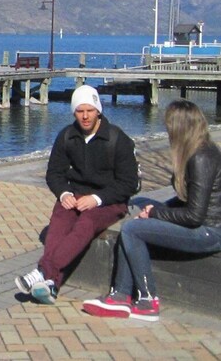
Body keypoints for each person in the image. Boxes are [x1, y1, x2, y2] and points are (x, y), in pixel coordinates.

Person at [82, 99, 221, 321]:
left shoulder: (201, 158)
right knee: (139, 214)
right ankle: (120, 296)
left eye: (168, 126)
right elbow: (188, 201)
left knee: (132, 230)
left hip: (210, 233)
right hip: (205, 225)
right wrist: (156, 208)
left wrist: (155, 214)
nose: (167, 132)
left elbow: (195, 216)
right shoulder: (200, 150)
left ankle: (146, 300)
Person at [15, 84, 140, 304]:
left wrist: (97, 199)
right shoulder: (67, 136)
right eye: (80, 111)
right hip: (75, 195)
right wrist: (63, 194)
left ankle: (43, 272)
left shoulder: (117, 139)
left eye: (89, 110)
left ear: (98, 110)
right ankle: (52, 286)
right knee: (60, 222)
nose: (85, 116)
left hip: (109, 200)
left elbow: (128, 183)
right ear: (74, 112)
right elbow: (54, 173)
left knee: (87, 223)